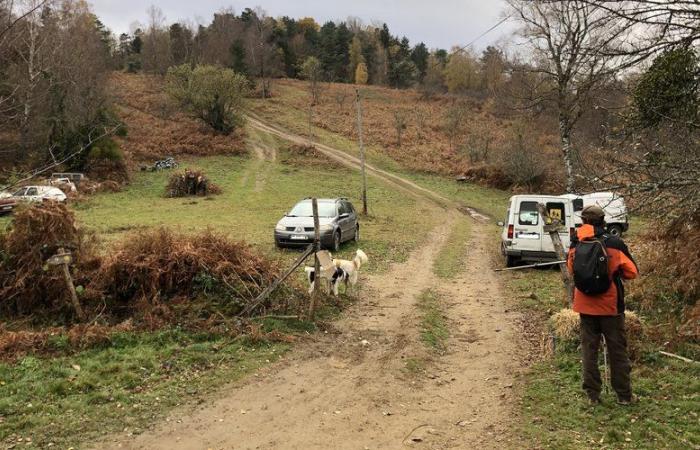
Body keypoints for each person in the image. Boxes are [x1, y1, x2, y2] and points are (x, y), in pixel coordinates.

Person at [567, 205, 639, 405]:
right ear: (603, 220)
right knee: (617, 351)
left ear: (583, 221)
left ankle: (592, 396)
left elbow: (571, 269)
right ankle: (624, 396)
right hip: (610, 307)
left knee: (589, 351)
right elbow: (632, 272)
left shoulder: (576, 243)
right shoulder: (614, 243)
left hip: (584, 305)